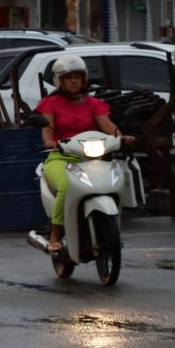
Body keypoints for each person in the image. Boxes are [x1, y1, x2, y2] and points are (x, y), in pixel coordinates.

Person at [36, 54, 136, 253]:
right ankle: (55, 234)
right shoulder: (50, 103)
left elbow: (108, 127)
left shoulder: (93, 103)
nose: (74, 81)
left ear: (84, 79)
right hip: (61, 157)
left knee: (111, 180)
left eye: (77, 77)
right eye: (69, 77)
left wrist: (122, 138)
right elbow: (47, 130)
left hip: (91, 157)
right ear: (59, 80)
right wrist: (49, 141)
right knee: (66, 185)